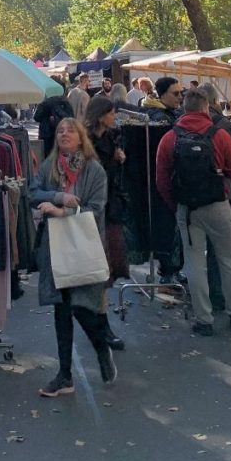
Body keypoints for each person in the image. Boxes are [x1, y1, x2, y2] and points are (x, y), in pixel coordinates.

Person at [31, 116, 115, 396]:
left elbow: (97, 209)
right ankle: (64, 375)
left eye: (70, 130)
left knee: (81, 306)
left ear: (81, 137)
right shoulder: (49, 166)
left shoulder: (94, 171)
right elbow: (33, 193)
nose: (64, 134)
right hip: (55, 248)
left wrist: (64, 211)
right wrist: (58, 196)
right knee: (61, 309)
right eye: (59, 131)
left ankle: (101, 345)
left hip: (84, 246)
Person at [155, 89, 231, 337]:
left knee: (194, 263)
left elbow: (161, 178)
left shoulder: (169, 138)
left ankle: (203, 319)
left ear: (183, 109)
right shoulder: (218, 134)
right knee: (228, 260)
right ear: (206, 108)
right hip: (218, 205)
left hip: (188, 209)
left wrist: (176, 205)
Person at [84, 95, 128, 350]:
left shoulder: (112, 137)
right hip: (93, 212)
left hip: (110, 208)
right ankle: (100, 326)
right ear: (101, 115)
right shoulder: (86, 142)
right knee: (97, 269)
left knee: (106, 268)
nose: (115, 117)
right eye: (111, 113)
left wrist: (119, 157)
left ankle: (101, 324)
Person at [34, 83, 75, 158]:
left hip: (47, 136)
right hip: (63, 133)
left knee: (48, 157)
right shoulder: (65, 101)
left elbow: (36, 117)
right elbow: (72, 118)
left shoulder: (45, 102)